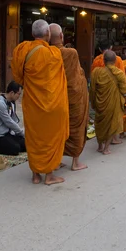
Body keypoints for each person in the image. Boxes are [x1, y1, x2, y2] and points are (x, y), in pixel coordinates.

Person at [11, 19, 69, 185]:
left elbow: (17, 77)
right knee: (49, 137)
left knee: (34, 137)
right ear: (48, 34)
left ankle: (35, 175)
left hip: (32, 102)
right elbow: (57, 79)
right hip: (51, 103)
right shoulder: (54, 53)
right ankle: (49, 176)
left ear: (32, 34)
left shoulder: (21, 50)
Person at [49, 23, 89, 171]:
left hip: (55, 97)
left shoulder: (46, 53)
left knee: (57, 129)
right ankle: (75, 162)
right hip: (73, 96)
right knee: (76, 127)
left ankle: (56, 160)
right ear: (61, 36)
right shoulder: (70, 53)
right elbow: (76, 76)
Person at [90, 50, 126, 155]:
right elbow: (124, 90)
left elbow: (92, 89)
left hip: (100, 102)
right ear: (115, 61)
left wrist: (93, 101)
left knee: (100, 123)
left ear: (104, 60)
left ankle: (100, 146)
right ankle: (106, 149)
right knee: (112, 124)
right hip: (113, 103)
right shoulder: (119, 73)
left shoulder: (96, 72)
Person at [0, 81, 26, 156]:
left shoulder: (11, 102)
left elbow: (14, 120)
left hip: (6, 133)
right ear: (12, 93)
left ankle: (7, 144)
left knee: (26, 145)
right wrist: (21, 133)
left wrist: (18, 135)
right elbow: (9, 122)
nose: (19, 96)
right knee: (15, 149)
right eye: (18, 94)